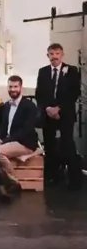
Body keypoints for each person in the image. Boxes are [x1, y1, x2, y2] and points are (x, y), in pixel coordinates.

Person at [35, 43, 82, 189]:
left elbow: (74, 93)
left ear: (62, 54)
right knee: (49, 145)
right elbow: (39, 94)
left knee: (67, 144)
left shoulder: (72, 70)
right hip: (48, 113)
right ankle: (52, 176)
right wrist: (48, 108)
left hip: (65, 113)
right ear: (47, 55)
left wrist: (59, 108)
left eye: (57, 53)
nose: (54, 57)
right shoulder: (42, 72)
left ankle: (74, 179)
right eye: (51, 54)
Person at [0, 75, 39, 189]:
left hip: (24, 142)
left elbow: (26, 131)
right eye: (10, 86)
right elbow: (3, 126)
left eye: (15, 86)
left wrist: (4, 141)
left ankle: (14, 181)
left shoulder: (30, 106)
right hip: (9, 139)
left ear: (21, 88)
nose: (12, 89)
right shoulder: (7, 105)